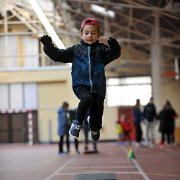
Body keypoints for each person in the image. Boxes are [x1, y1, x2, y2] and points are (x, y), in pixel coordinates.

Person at [40, 17, 121, 142]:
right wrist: (49, 46)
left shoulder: (102, 50)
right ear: (81, 34)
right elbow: (58, 55)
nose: (90, 36)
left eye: (93, 33)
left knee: (97, 110)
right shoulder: (75, 51)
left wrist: (114, 47)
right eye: (86, 33)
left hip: (98, 87)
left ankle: (94, 128)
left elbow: (113, 54)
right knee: (87, 99)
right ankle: (77, 122)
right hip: (80, 85)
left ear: (98, 35)